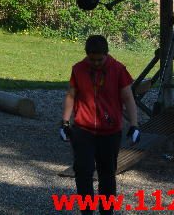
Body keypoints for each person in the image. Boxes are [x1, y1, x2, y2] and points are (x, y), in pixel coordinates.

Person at [60, 35, 139, 215]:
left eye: (100, 59)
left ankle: (106, 212)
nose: (96, 63)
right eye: (92, 59)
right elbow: (71, 95)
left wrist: (134, 125)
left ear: (106, 54)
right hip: (83, 130)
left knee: (107, 174)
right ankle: (87, 211)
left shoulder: (118, 70)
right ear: (87, 55)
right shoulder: (78, 69)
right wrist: (64, 122)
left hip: (109, 132)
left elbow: (128, 98)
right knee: (83, 172)